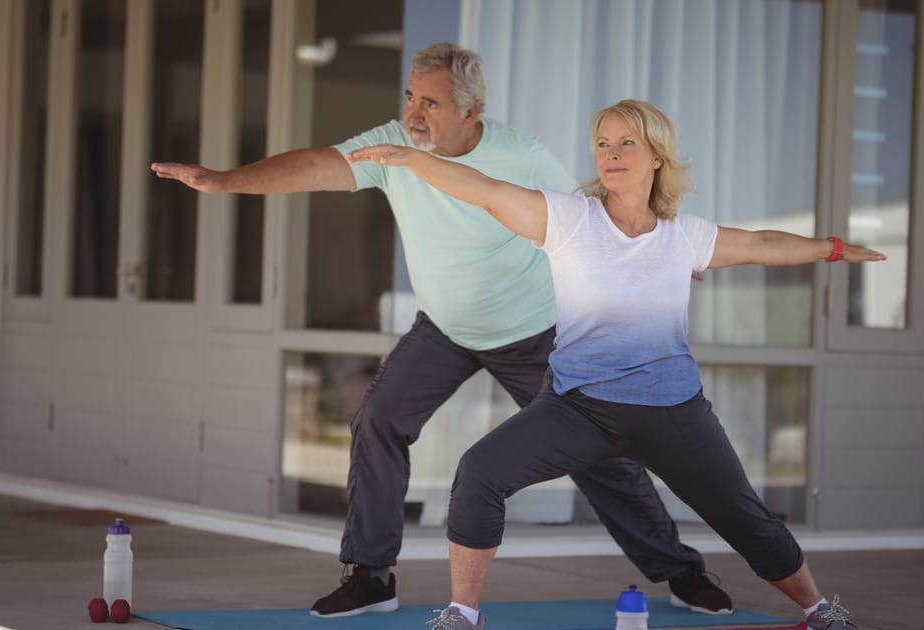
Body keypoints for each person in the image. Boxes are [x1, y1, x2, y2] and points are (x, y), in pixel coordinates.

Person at [151, 44, 731, 618]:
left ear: (470, 109)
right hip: (446, 327)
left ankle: (680, 571)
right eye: (410, 97)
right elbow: (313, 166)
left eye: (430, 101)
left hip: (533, 330)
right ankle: (371, 575)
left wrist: (660, 248)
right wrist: (225, 182)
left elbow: (593, 209)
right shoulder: (393, 146)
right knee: (378, 420)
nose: (413, 112)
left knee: (599, 454)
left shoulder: (520, 154)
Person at [346, 99, 878, 630]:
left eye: (628, 143)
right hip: (578, 409)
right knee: (480, 472)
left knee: (746, 518)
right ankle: (462, 613)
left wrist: (831, 248)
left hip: (673, 413)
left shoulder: (683, 236)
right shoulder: (569, 220)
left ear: (656, 158)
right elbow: (486, 192)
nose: (612, 153)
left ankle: (820, 611)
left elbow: (761, 244)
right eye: (603, 143)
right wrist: (413, 160)